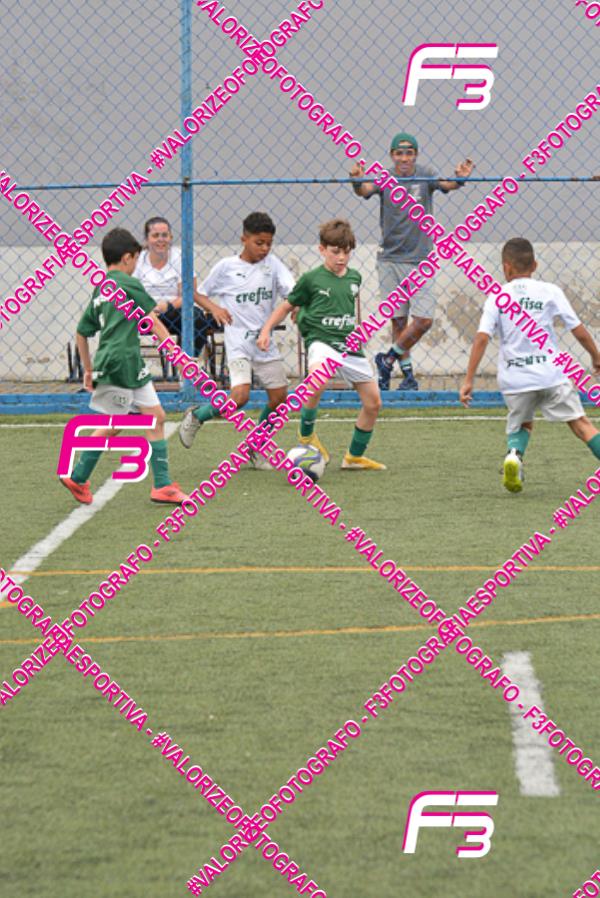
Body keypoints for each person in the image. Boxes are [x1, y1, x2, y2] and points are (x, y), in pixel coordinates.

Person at [460, 237, 600, 492]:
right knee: (581, 424)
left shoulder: (497, 297)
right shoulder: (550, 291)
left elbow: (481, 338)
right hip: (550, 375)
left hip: (515, 379)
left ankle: (514, 455)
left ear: (506, 268)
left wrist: (469, 379)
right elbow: (578, 330)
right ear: (534, 265)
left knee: (523, 423)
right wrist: (596, 356)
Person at [61, 228, 188, 505]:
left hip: (120, 362)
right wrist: (176, 353)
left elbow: (82, 332)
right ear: (127, 258)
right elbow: (152, 321)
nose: (135, 266)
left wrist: (87, 369)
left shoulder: (101, 288)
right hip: (123, 362)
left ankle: (162, 486)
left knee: (154, 416)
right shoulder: (129, 283)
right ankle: (79, 477)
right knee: (116, 423)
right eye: (136, 260)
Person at [257, 218, 385, 471]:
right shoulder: (311, 279)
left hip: (348, 346)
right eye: (335, 252)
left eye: (346, 252)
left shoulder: (355, 278)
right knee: (317, 380)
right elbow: (286, 306)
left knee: (373, 403)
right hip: (322, 342)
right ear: (322, 249)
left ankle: (353, 457)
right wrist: (266, 330)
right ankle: (306, 436)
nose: (341, 258)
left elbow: (340, 304)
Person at [350, 132, 474, 390]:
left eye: (409, 153)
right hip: (390, 259)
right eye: (399, 153)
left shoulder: (426, 174)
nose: (404, 158)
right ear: (392, 155)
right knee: (399, 321)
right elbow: (364, 191)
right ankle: (407, 377)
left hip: (420, 261)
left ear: (415, 155)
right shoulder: (385, 177)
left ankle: (387, 359)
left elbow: (447, 184)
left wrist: (460, 179)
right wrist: (356, 180)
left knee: (423, 320)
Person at [178, 212, 295, 467]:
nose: (264, 249)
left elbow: (292, 292)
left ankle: (256, 446)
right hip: (238, 342)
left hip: (264, 342)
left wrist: (296, 308)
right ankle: (198, 415)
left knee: (279, 400)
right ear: (244, 239)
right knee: (240, 397)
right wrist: (215, 308)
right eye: (259, 243)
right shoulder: (226, 267)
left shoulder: (273, 265)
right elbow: (196, 293)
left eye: (268, 243)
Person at [134, 216, 214, 358]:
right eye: (155, 235)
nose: (161, 239)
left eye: (165, 235)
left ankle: (187, 361)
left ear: (170, 237)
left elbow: (188, 294)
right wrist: (149, 309)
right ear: (147, 239)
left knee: (197, 317)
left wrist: (167, 306)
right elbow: (132, 291)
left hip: (173, 311)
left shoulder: (180, 257)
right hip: (144, 312)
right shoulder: (138, 260)